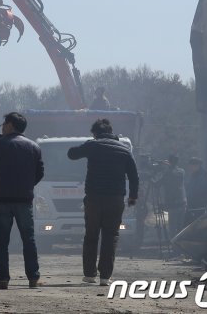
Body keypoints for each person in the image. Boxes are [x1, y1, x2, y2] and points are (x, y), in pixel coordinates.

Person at [67, 118, 139, 286]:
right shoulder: (125, 149)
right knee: (111, 236)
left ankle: (90, 275)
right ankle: (105, 277)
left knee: (91, 235)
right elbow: (134, 177)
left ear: (95, 133)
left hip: (94, 198)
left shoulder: (93, 145)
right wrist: (132, 197)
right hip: (115, 199)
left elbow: (71, 154)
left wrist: (88, 144)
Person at [0, 112, 44, 290]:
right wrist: (27, 186)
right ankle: (33, 278)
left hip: (2, 200)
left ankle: (2, 280)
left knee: (1, 242)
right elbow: (40, 173)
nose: (1, 126)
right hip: (24, 200)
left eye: (4, 124)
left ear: (10, 126)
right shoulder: (34, 147)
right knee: (28, 240)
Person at [160, 154, 187, 239]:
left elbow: (157, 183)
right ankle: (180, 247)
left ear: (169, 162)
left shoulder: (167, 173)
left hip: (173, 204)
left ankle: (174, 248)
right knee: (180, 227)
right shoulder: (182, 171)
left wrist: (162, 168)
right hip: (182, 203)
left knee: (172, 227)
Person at [184, 157, 207, 225]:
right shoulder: (195, 175)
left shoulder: (201, 177)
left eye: (191, 166)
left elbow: (197, 192)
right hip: (194, 207)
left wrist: (190, 201)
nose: (190, 168)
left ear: (197, 166)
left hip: (198, 208)